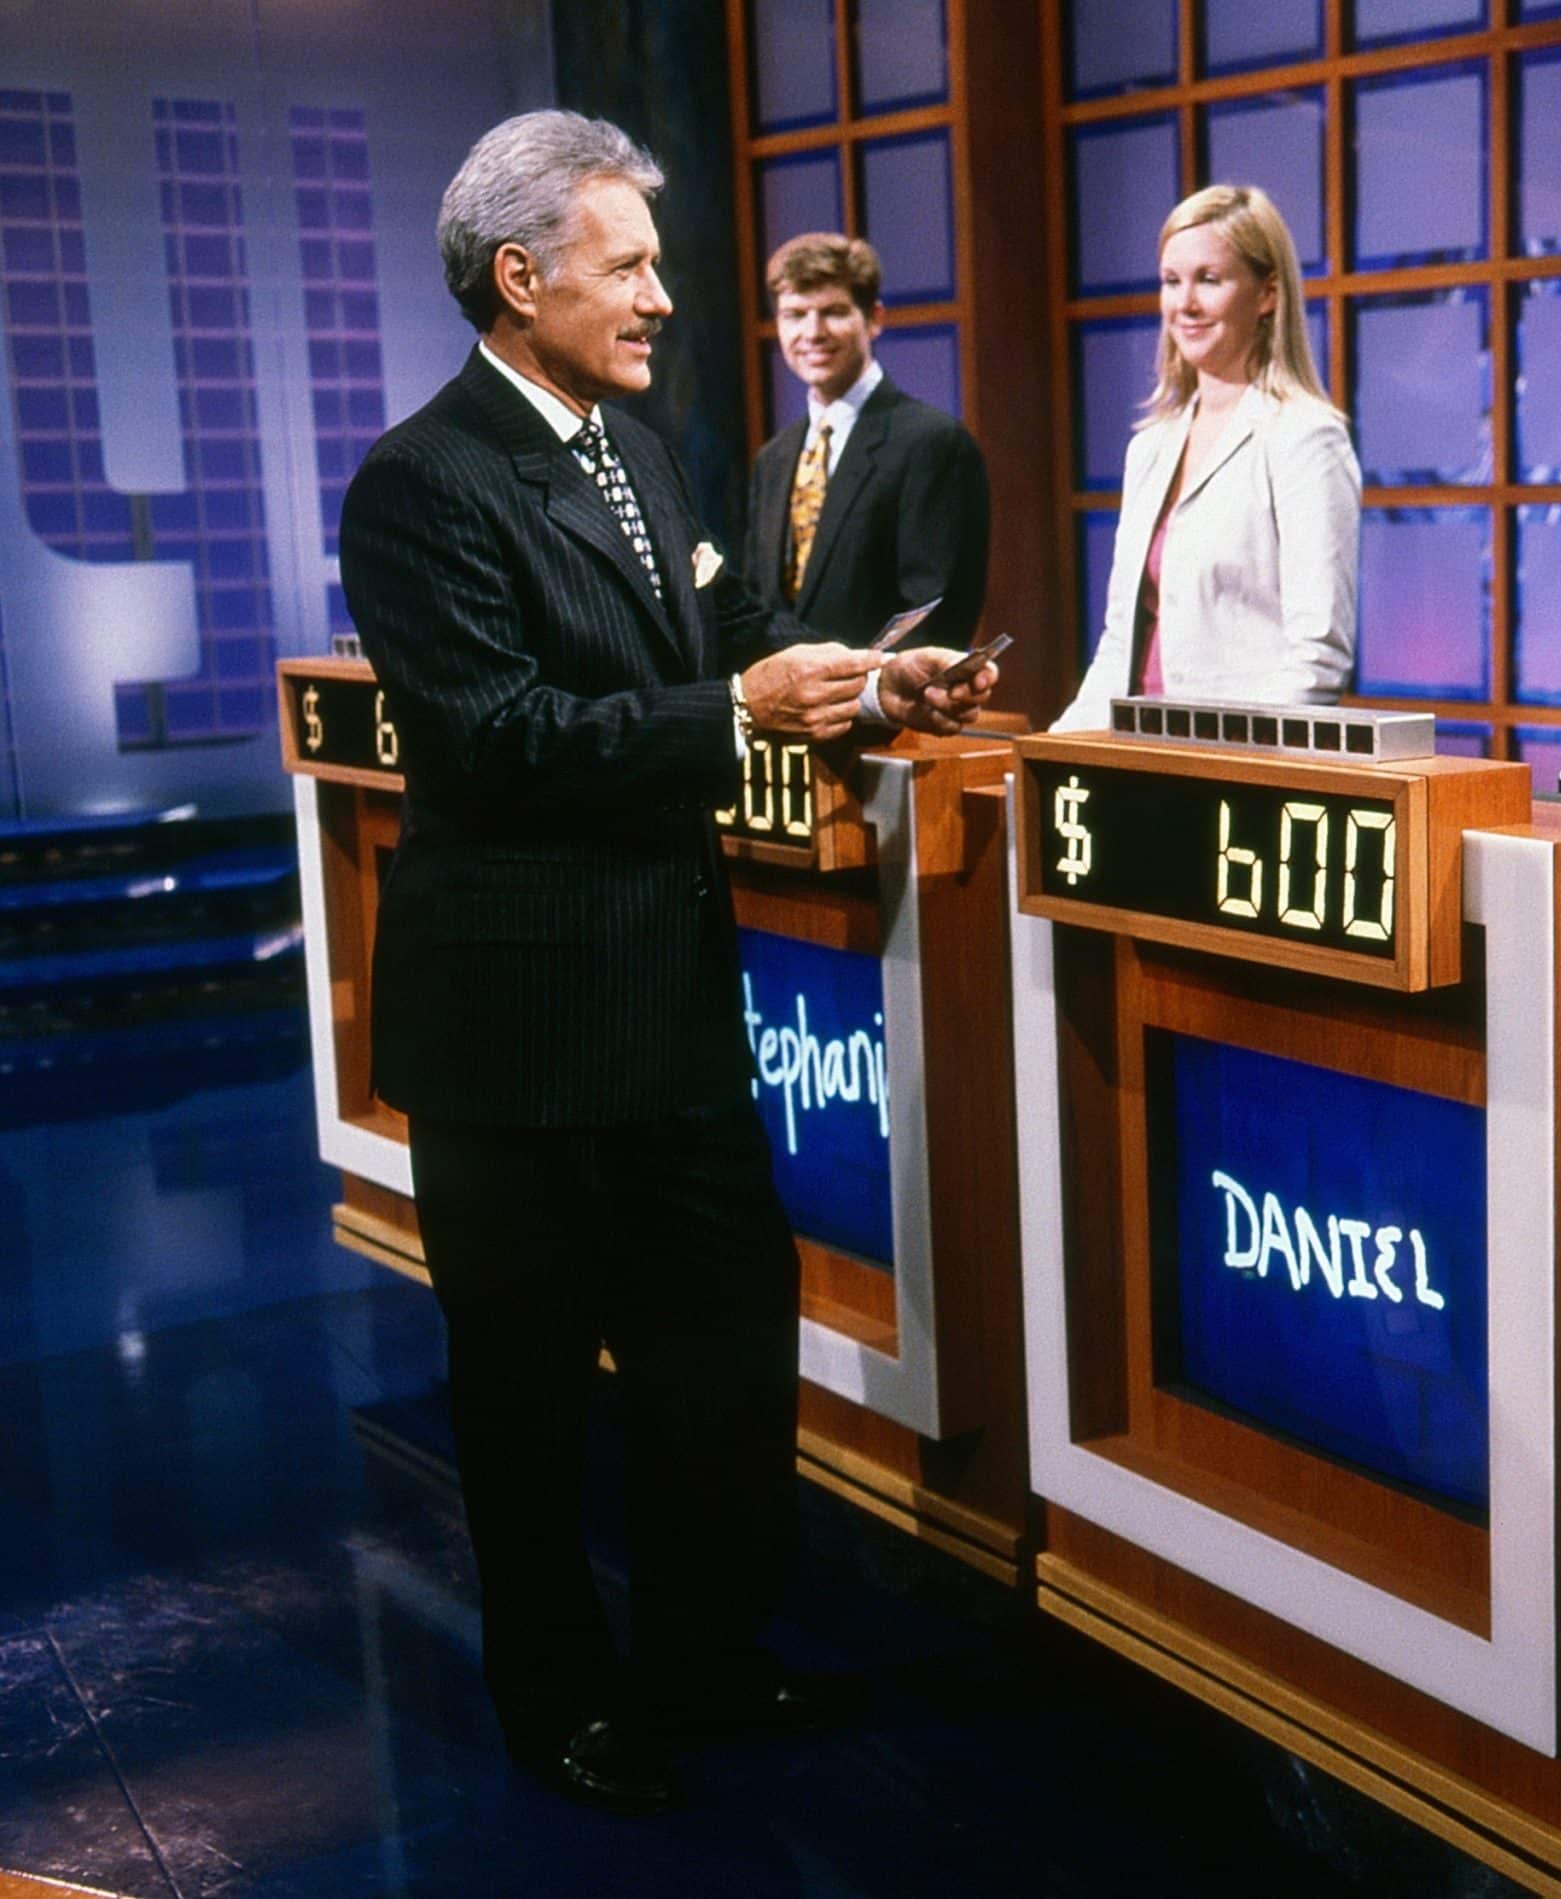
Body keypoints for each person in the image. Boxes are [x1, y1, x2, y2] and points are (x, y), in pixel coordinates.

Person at [337, 110, 995, 1816]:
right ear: (520, 275)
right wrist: (730, 711)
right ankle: (558, 1695)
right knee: (531, 1396)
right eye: (629, 265)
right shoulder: (418, 483)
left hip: (672, 1010)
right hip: (520, 1029)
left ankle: (703, 1653)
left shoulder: (646, 450)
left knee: (721, 1351)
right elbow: (495, 741)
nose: (663, 300)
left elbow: (727, 634)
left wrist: (854, 676)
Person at [1052, 183, 1358, 730]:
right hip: (1137, 751)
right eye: (1172, 282)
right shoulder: (1150, 446)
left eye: (1208, 280)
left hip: (1233, 770)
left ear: (1267, 294)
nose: (1184, 303)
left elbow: (1319, 655)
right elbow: (1121, 639)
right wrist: (1050, 757)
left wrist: (1229, 758)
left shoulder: (1304, 437)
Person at [747, 232, 990, 648]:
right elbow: (756, 610)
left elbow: (934, 622)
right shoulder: (773, 459)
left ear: (874, 318)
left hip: (884, 709)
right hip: (784, 710)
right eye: (795, 314)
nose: (813, 332)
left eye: (833, 312)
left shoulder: (933, 444)